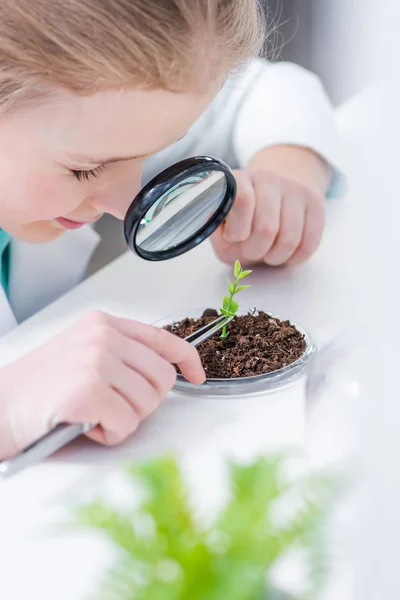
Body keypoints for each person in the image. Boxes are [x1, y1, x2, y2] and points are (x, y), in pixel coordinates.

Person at [0, 0, 343, 460]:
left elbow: (271, 90)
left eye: (157, 153)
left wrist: (284, 179)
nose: (127, 208)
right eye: (84, 171)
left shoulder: (90, 114)